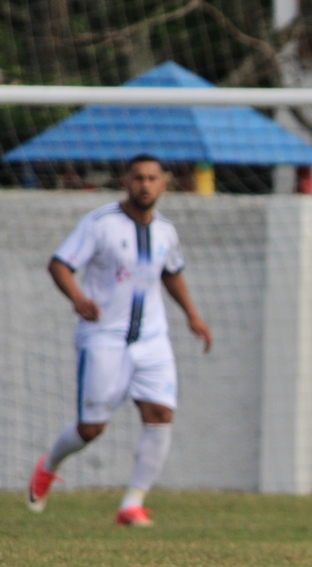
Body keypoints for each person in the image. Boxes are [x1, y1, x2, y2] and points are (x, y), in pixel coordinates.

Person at [27, 154, 212, 526]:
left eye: (152, 178)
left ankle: (132, 504)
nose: (145, 185)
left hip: (152, 339)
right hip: (104, 338)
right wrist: (78, 298)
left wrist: (192, 315)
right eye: (138, 178)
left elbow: (171, 273)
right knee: (92, 428)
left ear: (163, 184)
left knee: (160, 414)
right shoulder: (100, 223)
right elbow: (59, 264)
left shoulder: (166, 230)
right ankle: (49, 465)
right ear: (126, 181)